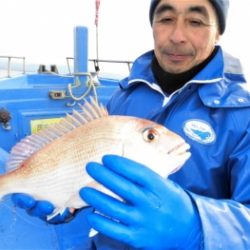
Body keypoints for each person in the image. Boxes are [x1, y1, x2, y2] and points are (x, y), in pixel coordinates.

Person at [10, 0, 250, 249]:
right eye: (166, 19)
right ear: (153, 25)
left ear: (218, 31)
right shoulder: (123, 95)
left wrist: (200, 229)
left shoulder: (244, 114)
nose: (178, 36)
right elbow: (94, 177)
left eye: (196, 21)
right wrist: (67, 204)